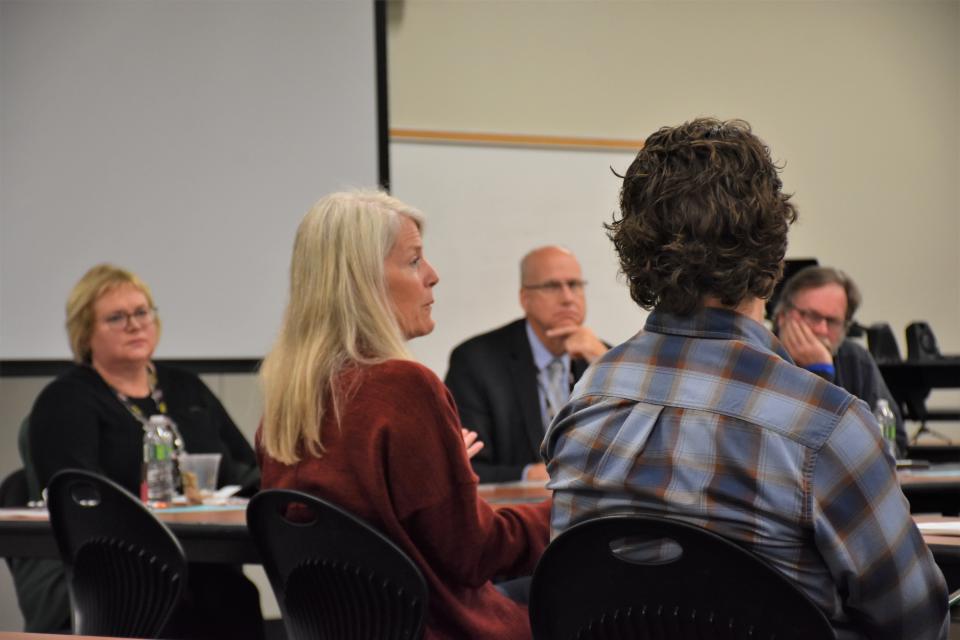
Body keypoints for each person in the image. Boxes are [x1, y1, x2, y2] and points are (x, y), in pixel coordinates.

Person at [542, 118, 948, 639]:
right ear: (773, 252)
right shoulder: (825, 427)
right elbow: (916, 622)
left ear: (635, 252)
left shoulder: (583, 407)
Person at [257, 190, 551, 640]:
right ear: (362, 282)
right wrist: (568, 512)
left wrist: (445, 467)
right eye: (414, 261)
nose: (432, 276)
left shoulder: (288, 405)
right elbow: (472, 553)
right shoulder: (404, 389)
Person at [21, 264, 264, 638]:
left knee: (236, 599)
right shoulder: (66, 400)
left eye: (141, 312)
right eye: (116, 318)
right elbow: (77, 496)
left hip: (208, 564)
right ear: (85, 333)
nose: (134, 325)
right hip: (125, 571)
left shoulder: (186, 388)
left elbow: (247, 470)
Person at [445, 246, 608, 483]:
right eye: (552, 286)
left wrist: (605, 364)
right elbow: (465, 465)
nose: (568, 298)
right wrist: (529, 475)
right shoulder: (475, 361)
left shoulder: (602, 357)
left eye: (574, 285)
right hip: (512, 511)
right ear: (525, 299)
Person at [773, 265, 907, 453]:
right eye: (812, 316)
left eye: (832, 321)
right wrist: (819, 375)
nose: (821, 330)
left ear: (846, 327)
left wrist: (823, 373)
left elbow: (894, 441)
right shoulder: (762, 354)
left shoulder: (856, 361)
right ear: (782, 316)